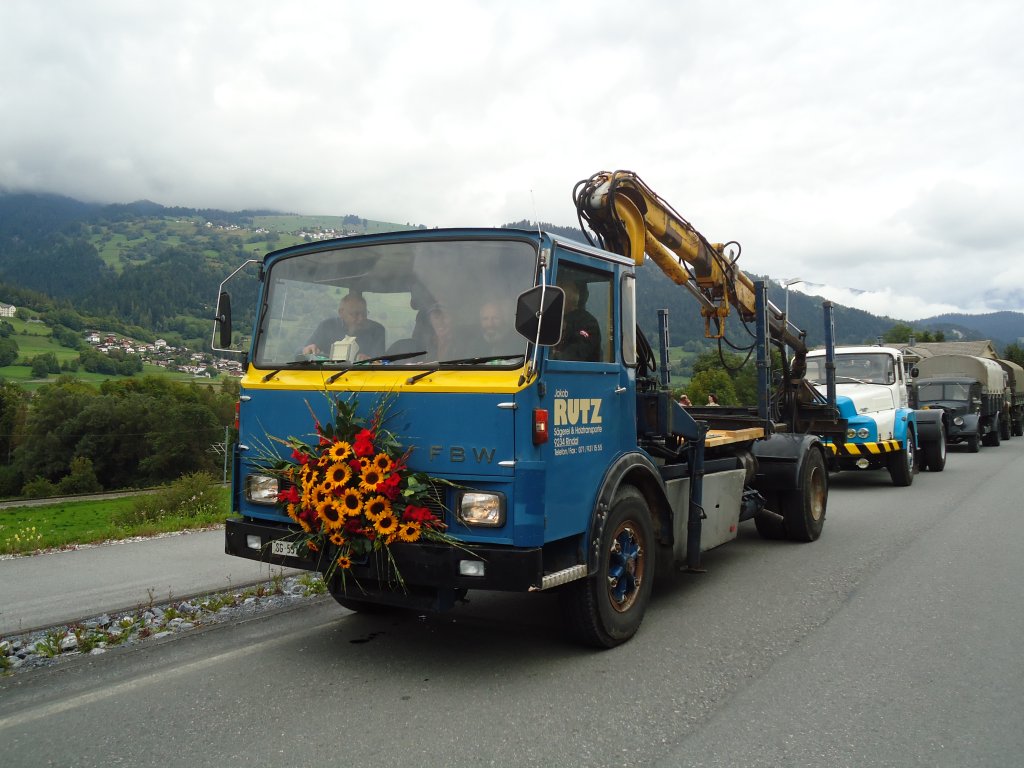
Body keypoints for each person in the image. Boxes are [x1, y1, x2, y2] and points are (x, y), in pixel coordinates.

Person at [302, 292, 385, 360]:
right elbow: (300, 353)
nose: (361, 319)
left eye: (364, 314)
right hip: (328, 375)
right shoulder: (327, 326)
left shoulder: (376, 330)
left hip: (363, 376)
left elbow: (379, 362)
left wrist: (368, 360)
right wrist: (306, 350)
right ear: (341, 312)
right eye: (355, 314)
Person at [552, 278, 601, 362]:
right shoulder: (553, 318)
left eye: (561, 285)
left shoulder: (588, 322)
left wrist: (555, 355)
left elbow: (577, 354)